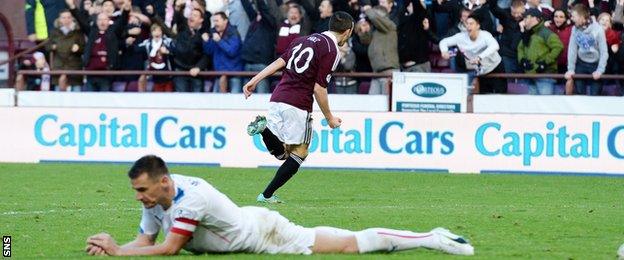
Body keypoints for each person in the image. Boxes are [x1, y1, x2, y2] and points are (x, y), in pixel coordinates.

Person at [84, 155, 475, 256]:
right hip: (250, 223)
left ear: (164, 182)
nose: (139, 197)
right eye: (137, 191)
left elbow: (169, 249)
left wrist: (120, 253)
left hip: (265, 234)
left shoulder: (191, 197)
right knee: (347, 243)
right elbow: (145, 240)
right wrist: (115, 247)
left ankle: (433, 239)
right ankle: (431, 237)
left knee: (350, 245)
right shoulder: (157, 198)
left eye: (142, 190)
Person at [242, 11, 351, 203]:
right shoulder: (332, 50)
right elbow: (319, 89)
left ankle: (264, 129)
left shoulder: (302, 40)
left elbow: (279, 62)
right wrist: (330, 118)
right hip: (298, 103)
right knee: (300, 152)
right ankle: (266, 194)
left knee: (282, 153)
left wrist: (255, 79)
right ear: (348, 31)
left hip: (277, 97)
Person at [439, 14, 506, 94]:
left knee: (501, 95)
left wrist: (479, 57)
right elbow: (443, 42)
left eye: (471, 24)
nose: (468, 26)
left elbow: (495, 46)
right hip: (482, 72)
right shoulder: (461, 37)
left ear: (478, 26)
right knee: (484, 97)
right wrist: (444, 51)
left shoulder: (485, 35)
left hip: (496, 67)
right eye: (467, 23)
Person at [517, 8, 563, 95]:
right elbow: (520, 48)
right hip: (530, 76)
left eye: (526, 17)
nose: (524, 20)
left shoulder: (546, 33)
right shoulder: (527, 33)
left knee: (546, 105)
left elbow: (558, 47)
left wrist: (545, 62)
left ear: (535, 18)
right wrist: (522, 60)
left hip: (545, 76)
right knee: (532, 107)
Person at [565, 4, 608, 96]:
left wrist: (600, 70)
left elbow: (604, 52)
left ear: (581, 17)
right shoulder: (574, 29)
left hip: (595, 64)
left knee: (595, 95)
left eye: (574, 16)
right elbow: (572, 50)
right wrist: (571, 69)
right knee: (580, 95)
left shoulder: (598, 29)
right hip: (581, 63)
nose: (571, 18)